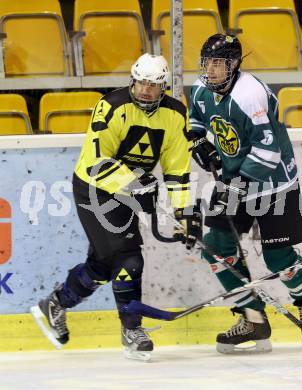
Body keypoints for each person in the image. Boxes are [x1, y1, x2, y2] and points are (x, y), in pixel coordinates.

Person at [31, 53, 201, 361]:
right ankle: (131, 330)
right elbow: (97, 162)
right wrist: (139, 185)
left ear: (163, 88)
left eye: (153, 85)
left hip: (127, 193)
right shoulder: (111, 106)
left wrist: (182, 211)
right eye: (141, 83)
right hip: (94, 189)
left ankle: (57, 302)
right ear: (132, 81)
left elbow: (177, 166)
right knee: (128, 258)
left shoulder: (175, 113)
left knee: (103, 266)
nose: (146, 90)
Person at [189, 34, 302, 353]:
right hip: (236, 179)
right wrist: (198, 141)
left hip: (274, 182)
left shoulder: (250, 95)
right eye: (207, 63)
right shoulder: (201, 89)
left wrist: (234, 186)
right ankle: (253, 318)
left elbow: (268, 153)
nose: (211, 70)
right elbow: (195, 121)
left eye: (218, 64)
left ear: (234, 65)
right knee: (216, 249)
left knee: (278, 257)